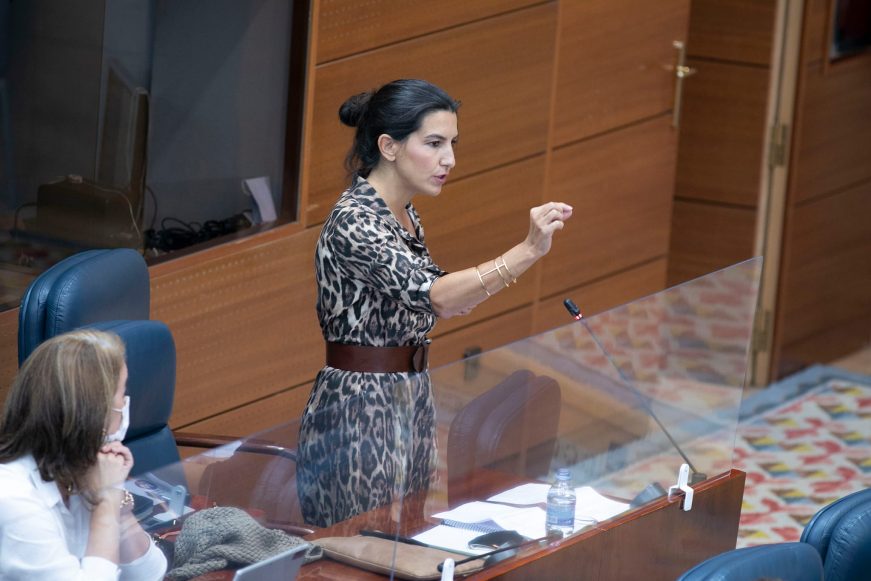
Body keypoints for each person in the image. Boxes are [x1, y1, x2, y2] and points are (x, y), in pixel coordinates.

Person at [297, 79, 573, 527]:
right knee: (364, 543)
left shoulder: (403, 212)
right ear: (389, 146)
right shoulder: (354, 222)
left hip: (409, 393)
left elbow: (437, 296)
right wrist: (527, 251)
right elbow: (437, 297)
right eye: (435, 143)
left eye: (453, 143)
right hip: (360, 406)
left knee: (408, 531)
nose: (450, 159)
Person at [0, 329, 167, 580]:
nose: (125, 405)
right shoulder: (13, 498)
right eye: (121, 395)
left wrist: (117, 506)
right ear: (94, 413)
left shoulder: (80, 468)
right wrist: (106, 503)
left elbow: (151, 574)